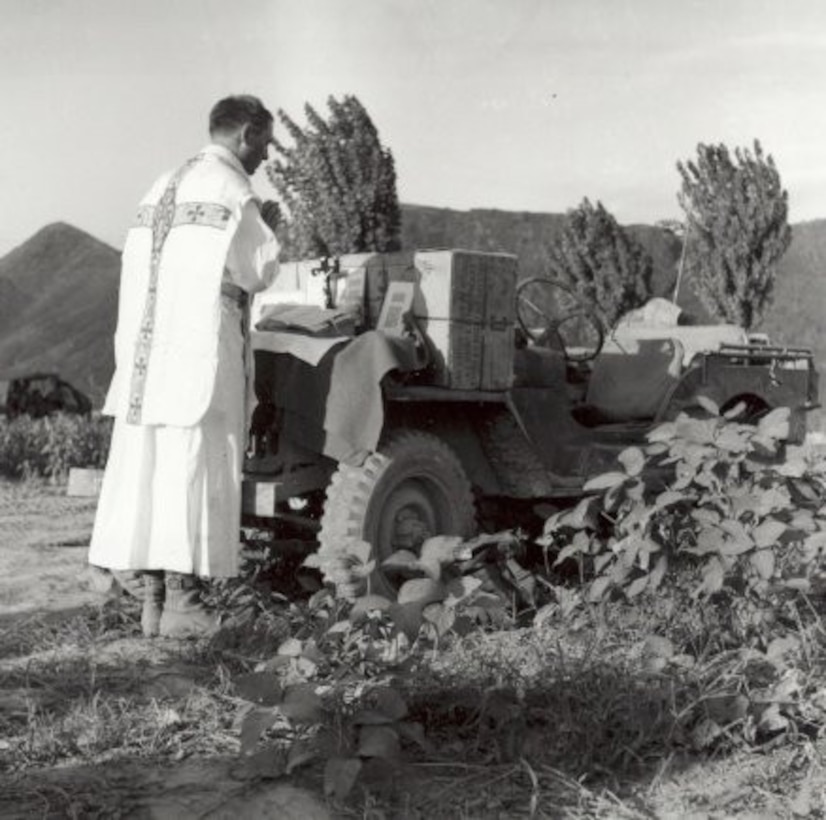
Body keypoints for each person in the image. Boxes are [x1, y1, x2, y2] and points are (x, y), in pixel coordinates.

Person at [89, 95, 281, 638]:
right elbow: (258, 270)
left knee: (154, 473)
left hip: (148, 359)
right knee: (193, 471)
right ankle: (184, 604)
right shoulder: (231, 188)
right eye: (265, 143)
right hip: (200, 350)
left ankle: (153, 604)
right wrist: (271, 228)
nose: (266, 157)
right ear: (246, 134)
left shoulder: (161, 185)